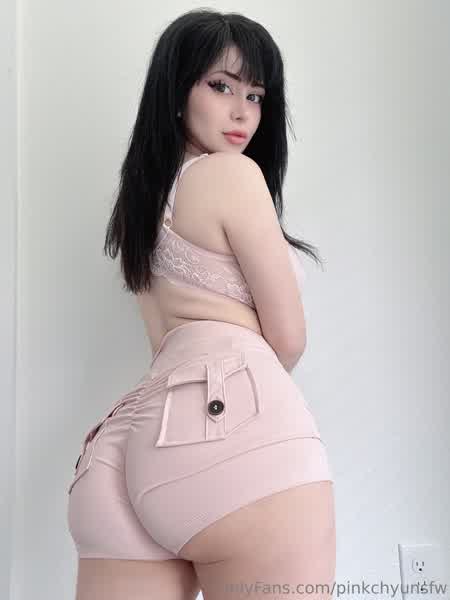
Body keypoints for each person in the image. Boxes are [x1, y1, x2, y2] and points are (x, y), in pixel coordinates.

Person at [67, 8, 336, 600]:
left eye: (256, 95)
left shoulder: (141, 208)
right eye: (221, 86)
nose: (244, 113)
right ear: (176, 89)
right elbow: (288, 339)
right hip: (229, 431)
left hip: (121, 447)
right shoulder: (232, 175)